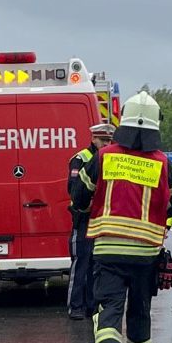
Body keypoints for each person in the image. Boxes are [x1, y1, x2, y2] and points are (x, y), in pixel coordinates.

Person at [73, 90, 172, 343]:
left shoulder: (104, 157)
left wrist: (86, 209)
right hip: (146, 252)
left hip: (108, 250)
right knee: (140, 310)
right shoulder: (161, 164)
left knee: (108, 310)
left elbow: (80, 196)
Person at [67, 120, 113, 319]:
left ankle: (92, 306)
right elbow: (74, 189)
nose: (106, 144)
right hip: (84, 218)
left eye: (109, 140)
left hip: (101, 219)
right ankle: (75, 306)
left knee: (97, 265)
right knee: (81, 264)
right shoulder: (81, 158)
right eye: (103, 140)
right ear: (93, 139)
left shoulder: (110, 158)